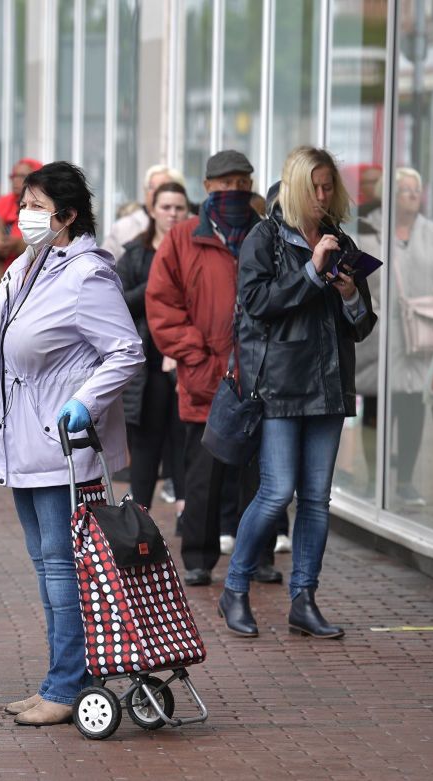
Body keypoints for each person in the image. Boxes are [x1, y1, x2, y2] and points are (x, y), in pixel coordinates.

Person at [0, 162, 144, 726]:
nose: (25, 216)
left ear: (67, 217)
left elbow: (125, 351)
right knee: (48, 568)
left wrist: (82, 404)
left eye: (38, 207)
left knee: (65, 569)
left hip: (62, 449)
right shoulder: (25, 266)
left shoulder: (86, 274)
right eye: (23, 204)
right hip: (20, 444)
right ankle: (63, 679)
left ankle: (68, 686)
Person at [219, 146, 377, 639]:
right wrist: (311, 271)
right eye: (316, 187)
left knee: (315, 500)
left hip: (329, 388)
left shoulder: (340, 239)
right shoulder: (264, 238)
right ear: (295, 187)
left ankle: (303, 599)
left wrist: (351, 296)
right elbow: (258, 303)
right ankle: (236, 588)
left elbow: (362, 325)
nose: (324, 195)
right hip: (282, 387)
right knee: (275, 493)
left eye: (330, 186)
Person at [146, 150, 280, 587]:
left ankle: (257, 556)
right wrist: (198, 356)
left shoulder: (267, 233)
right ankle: (198, 558)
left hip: (260, 378)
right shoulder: (183, 238)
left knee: (258, 478)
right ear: (207, 188)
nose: (235, 192)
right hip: (205, 378)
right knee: (203, 476)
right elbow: (163, 305)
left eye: (243, 184)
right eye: (226, 186)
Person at [356, 167, 433, 505]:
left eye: (417, 189)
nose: (413, 195)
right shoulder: (370, 230)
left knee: (413, 408)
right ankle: (374, 480)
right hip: (381, 336)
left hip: (419, 336)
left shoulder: (432, 233)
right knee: (376, 406)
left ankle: (406, 481)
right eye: (405, 189)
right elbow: (359, 279)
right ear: (389, 194)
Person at [114, 181, 189, 510]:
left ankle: (193, 534)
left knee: (186, 450)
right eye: (166, 207)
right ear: (152, 210)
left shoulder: (197, 251)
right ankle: (137, 528)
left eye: (179, 208)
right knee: (144, 455)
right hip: (148, 370)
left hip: (187, 363)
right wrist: (156, 282)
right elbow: (117, 306)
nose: (172, 214)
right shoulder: (135, 255)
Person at [0, 157, 44, 295]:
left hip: (35, 287)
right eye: (13, 176)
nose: (15, 180)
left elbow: (53, 247)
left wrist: (19, 245)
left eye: (22, 176)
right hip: (4, 287)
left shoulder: (46, 207)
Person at [101, 164, 185, 255]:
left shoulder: (193, 227)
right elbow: (102, 264)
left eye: (163, 188)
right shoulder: (123, 227)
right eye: (151, 187)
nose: (155, 192)